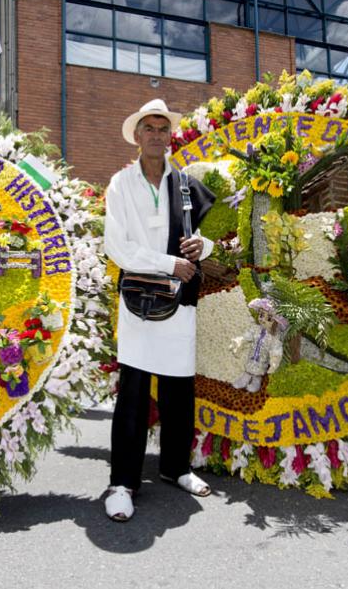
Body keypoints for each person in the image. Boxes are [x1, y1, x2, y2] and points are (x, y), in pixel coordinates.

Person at [103, 99, 217, 522]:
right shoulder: (120, 184)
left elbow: (205, 240)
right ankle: (122, 483)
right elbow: (117, 247)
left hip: (179, 303)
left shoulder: (186, 185)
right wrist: (169, 262)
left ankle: (175, 468)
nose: (155, 135)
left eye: (162, 129)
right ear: (137, 136)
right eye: (148, 128)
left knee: (178, 393)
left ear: (171, 137)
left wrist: (200, 247)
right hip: (138, 303)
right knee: (132, 394)